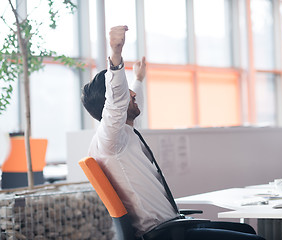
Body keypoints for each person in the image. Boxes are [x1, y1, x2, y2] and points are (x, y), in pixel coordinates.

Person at [81, 25, 265, 240]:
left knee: (248, 231)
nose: (131, 93)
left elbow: (128, 98)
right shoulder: (109, 141)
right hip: (164, 235)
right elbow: (118, 101)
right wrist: (116, 54)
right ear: (112, 104)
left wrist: (139, 79)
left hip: (174, 228)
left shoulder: (121, 136)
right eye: (125, 93)